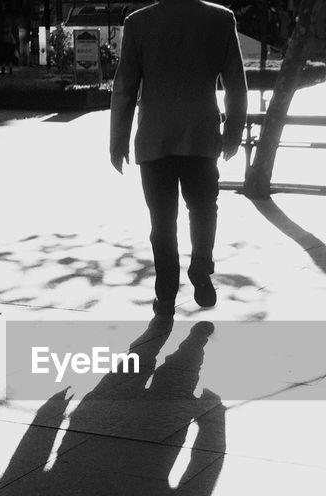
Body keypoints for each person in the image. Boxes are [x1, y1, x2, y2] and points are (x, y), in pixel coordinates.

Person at [109, 0, 248, 317]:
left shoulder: (139, 22)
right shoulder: (220, 19)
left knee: (162, 221)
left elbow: (125, 86)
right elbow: (236, 86)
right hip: (200, 136)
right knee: (203, 208)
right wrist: (233, 134)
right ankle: (200, 264)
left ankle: (166, 295)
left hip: (155, 139)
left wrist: (118, 139)